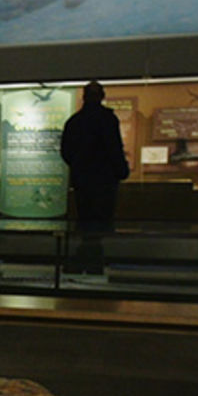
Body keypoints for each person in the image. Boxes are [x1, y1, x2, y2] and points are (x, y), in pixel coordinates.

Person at [60, 80, 129, 272]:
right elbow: (114, 148)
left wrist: (79, 167)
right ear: (102, 96)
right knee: (100, 223)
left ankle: (85, 258)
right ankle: (93, 261)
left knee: (85, 220)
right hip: (104, 181)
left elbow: (66, 152)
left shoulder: (75, 121)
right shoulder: (107, 120)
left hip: (83, 181)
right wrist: (120, 170)